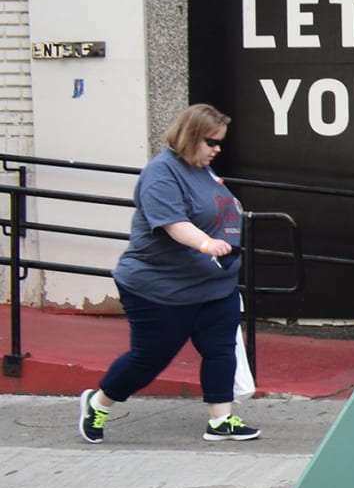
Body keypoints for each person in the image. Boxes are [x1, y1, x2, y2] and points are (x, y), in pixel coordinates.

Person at [78, 103, 259, 445]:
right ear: (191, 137)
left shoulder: (202, 169)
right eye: (212, 142)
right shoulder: (161, 173)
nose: (218, 149)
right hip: (160, 287)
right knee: (149, 359)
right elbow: (174, 224)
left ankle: (221, 420)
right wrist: (207, 244)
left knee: (220, 349)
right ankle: (98, 402)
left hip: (213, 283)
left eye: (220, 142)